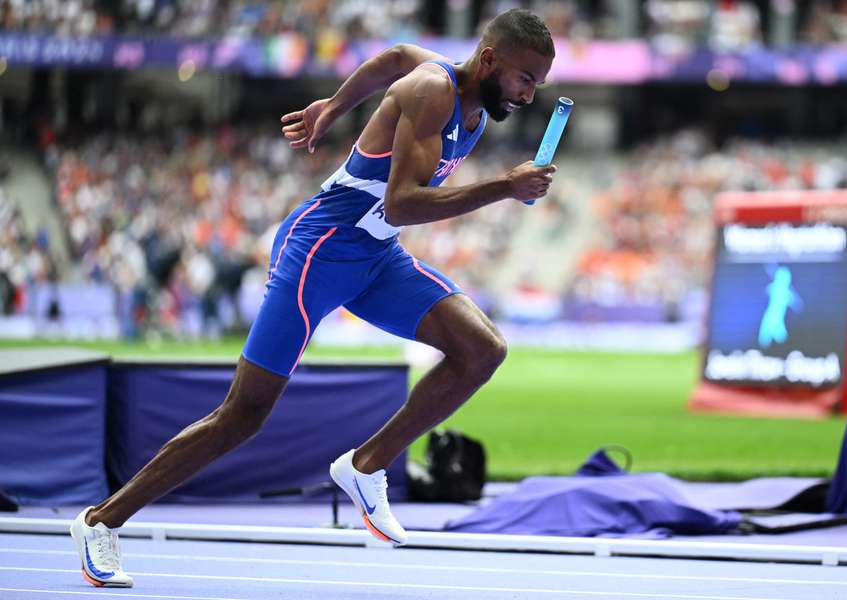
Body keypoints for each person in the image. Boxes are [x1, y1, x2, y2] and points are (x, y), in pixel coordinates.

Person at [70, 8, 556, 588]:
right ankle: (102, 521)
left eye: (539, 84)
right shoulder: (434, 90)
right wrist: (504, 187)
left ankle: (365, 465)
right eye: (526, 78)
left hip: (377, 258)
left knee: (482, 349)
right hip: (321, 250)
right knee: (242, 415)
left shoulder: (459, 93)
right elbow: (401, 202)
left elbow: (393, 58)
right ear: (490, 60)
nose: (530, 94)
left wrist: (333, 106)